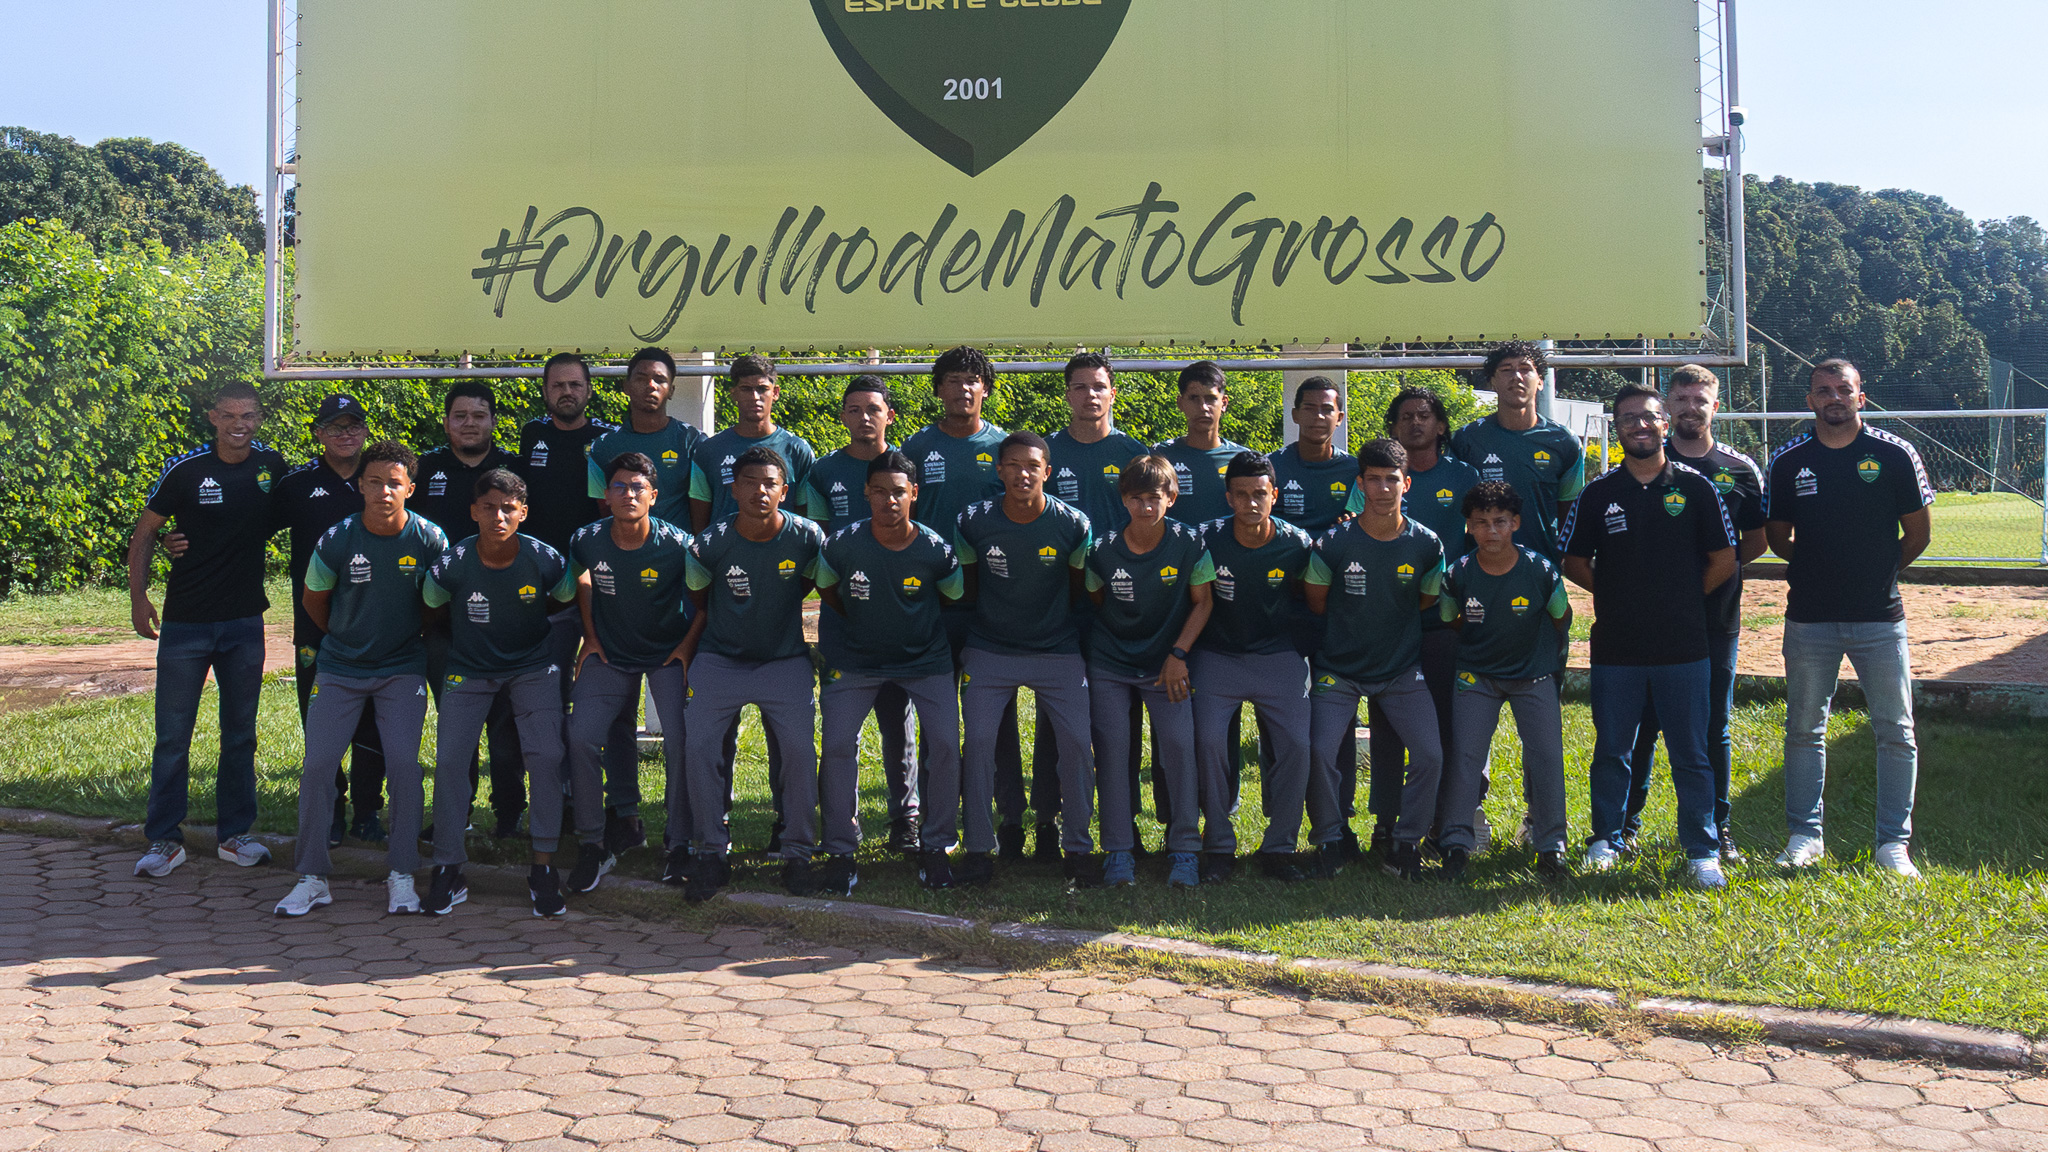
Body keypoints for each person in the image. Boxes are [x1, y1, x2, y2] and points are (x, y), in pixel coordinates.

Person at [1562, 384, 1738, 889]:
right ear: (1616, 429)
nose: (1639, 425)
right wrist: (1615, 593)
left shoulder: (1697, 488)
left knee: (1691, 752)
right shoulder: (1599, 493)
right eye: (1628, 418)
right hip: (1617, 646)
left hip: (1685, 645)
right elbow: (1573, 559)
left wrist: (1683, 599)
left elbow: (1725, 559)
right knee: (1613, 749)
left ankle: (1702, 849)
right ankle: (1606, 839)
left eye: (1648, 417)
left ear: (1665, 424)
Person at [1765, 358, 1933, 878]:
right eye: (1823, 390)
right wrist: (1820, 568)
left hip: (1880, 618)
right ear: (1810, 400)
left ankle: (1893, 845)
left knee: (1895, 730)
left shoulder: (1895, 453)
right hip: (1809, 619)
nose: (1833, 397)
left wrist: (1876, 571)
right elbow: (1777, 537)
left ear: (1862, 397)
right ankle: (1804, 836)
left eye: (1844, 389)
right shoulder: (1788, 461)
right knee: (1803, 729)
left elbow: (1918, 534)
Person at [273, 441, 449, 917]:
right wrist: (347, 639)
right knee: (318, 766)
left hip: (402, 669)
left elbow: (438, 604)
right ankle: (312, 877)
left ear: (410, 489)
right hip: (340, 668)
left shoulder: (430, 538)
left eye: (394, 483)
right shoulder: (337, 538)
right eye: (375, 482)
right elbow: (314, 600)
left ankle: (402, 874)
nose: (384, 491)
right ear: (360, 487)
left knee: (405, 766)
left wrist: (402, 638)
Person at [128, 382, 287, 878]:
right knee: (172, 737)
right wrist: (138, 597)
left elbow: (302, 511)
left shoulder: (272, 466)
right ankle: (163, 840)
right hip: (186, 623)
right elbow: (146, 530)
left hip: (244, 622)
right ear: (213, 417)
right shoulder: (186, 468)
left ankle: (235, 835)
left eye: (249, 415)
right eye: (230, 415)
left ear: (259, 419)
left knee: (240, 735)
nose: (240, 424)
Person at [1620, 365, 1767, 861]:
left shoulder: (1739, 469)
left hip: (1714, 620)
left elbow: (1754, 541)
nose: (1690, 408)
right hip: (1648, 623)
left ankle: (1717, 827)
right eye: (1680, 400)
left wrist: (1704, 583)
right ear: (1667, 409)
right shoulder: (1645, 463)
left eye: (1699, 400)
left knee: (1712, 726)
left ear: (1715, 407)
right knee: (1642, 724)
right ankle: (1624, 827)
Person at [420, 469, 578, 916]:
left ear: (523, 513)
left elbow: (566, 597)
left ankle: (543, 866)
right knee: (451, 760)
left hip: (532, 668)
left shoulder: (544, 559)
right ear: (474, 511)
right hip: (469, 669)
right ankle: (449, 867)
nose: (498, 517)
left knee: (545, 756)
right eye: (488, 508)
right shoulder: (453, 562)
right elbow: (430, 606)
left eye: (508, 509)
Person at [680, 446, 828, 901]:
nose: (760, 491)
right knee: (699, 747)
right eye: (750, 482)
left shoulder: (808, 537)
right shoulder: (710, 542)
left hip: (784, 660)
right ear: (733, 489)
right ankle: (710, 852)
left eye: (770, 484)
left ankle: (797, 853)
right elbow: (699, 599)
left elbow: (811, 588)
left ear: (785, 491)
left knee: (799, 751)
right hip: (720, 658)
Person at [816, 451, 967, 893]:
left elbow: (952, 597)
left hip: (925, 660)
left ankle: (936, 846)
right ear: (866, 493)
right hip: (856, 660)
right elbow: (827, 588)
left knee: (945, 743)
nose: (889, 500)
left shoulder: (936, 550)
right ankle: (841, 850)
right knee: (837, 745)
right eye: (879, 492)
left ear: (914, 494)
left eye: (898, 492)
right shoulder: (841, 545)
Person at [953, 432, 1097, 886]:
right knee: (979, 741)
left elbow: (1078, 591)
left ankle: (1076, 846)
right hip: (991, 646)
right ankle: (981, 846)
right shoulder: (972, 521)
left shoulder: (1073, 524)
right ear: (999, 471)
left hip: (1056, 647)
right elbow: (968, 589)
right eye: (1013, 465)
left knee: (1077, 742)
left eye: (1032, 466)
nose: (1022, 474)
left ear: (1047, 472)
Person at [1303, 439, 1447, 881]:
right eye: (1373, 480)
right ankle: (1332, 837)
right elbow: (1316, 601)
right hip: (1338, 669)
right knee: (1319, 750)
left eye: (1392, 480)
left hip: (1400, 670)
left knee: (1430, 754)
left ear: (1406, 484)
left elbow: (1425, 600)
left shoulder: (1427, 544)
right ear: (1360, 485)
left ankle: (1405, 843)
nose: (1383, 489)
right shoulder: (1333, 543)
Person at [516, 352, 640, 858]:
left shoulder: (608, 440)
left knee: (615, 709)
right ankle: (565, 798)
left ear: (589, 390)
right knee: (551, 700)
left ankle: (624, 811)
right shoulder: (531, 436)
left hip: (600, 588)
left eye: (575, 385)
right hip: (546, 593)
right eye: (557, 385)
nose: (566, 392)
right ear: (546, 391)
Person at [901, 347, 1024, 855]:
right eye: (952, 380)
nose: (963, 389)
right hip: (932, 605)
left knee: (998, 718)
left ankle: (1010, 818)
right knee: (938, 719)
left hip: (992, 605)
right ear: (939, 390)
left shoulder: (1003, 448)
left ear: (985, 389)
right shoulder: (916, 446)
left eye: (972, 380)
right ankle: (936, 822)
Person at [566, 452, 696, 894]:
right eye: (619, 486)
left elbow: (705, 598)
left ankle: (679, 844)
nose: (628, 494)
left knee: (680, 738)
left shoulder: (677, 544)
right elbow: (578, 579)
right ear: (606, 495)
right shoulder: (586, 539)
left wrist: (685, 648)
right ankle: (592, 842)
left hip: (665, 655)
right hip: (611, 654)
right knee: (581, 736)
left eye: (638, 487)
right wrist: (590, 636)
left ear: (653, 496)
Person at [801, 376, 921, 853]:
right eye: (854, 409)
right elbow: (817, 545)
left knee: (898, 722)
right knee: (840, 730)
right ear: (843, 416)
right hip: (843, 618)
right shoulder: (823, 472)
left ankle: (906, 818)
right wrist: (837, 607)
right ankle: (841, 825)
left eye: (874, 409)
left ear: (890, 415)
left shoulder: (905, 466)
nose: (864, 417)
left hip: (898, 615)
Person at [1084, 456, 1215, 888]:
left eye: (1154, 498)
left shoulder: (1189, 542)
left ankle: (1185, 849)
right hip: (1111, 663)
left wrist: (1178, 654)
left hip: (1167, 666)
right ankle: (1119, 850)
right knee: (1113, 751)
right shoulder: (1102, 549)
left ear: (1171, 498)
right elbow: (1096, 600)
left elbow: (1204, 602)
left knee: (1178, 747)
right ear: (1123, 500)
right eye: (1136, 498)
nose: (1145, 507)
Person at [1190, 453, 1317, 884]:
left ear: (1274, 495)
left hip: (1276, 655)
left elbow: (1309, 599)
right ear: (1228, 498)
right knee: (1208, 741)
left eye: (1259, 494)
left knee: (1297, 744)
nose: (1251, 503)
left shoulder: (1297, 543)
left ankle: (1279, 847)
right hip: (1217, 655)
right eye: (1241, 494)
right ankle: (1218, 844)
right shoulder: (1205, 538)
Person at [1437, 482, 1573, 879]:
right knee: (1465, 758)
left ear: (1515, 523)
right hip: (1477, 675)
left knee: (1546, 757)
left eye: (1500, 521)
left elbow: (1561, 617)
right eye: (1481, 523)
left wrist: (1535, 655)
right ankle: (1456, 844)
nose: (1491, 531)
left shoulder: (1540, 570)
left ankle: (1551, 846)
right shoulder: (1458, 573)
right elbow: (1449, 619)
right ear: (1468, 526)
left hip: (1533, 675)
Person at [413, 381, 528, 840]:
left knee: (505, 727)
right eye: (460, 416)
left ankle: (509, 815)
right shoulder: (426, 469)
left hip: (505, 623)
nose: (469, 424)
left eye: (478, 416)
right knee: (456, 726)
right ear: (446, 423)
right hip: (444, 623)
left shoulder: (515, 470)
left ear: (493, 422)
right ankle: (455, 814)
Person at [1045, 352, 1149, 857]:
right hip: (1059, 601)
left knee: (1120, 722)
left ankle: (1122, 823)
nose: (1090, 395)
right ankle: (1049, 819)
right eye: (1080, 387)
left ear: (1113, 393)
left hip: (1117, 601)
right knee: (1057, 718)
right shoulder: (1047, 452)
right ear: (1067, 394)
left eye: (1099, 386)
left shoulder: (1133, 453)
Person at [1375, 385, 1481, 858]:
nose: (1415, 423)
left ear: (1440, 426)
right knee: (1388, 727)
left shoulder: (1464, 477)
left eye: (1424, 415)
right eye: (1405, 416)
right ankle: (1386, 821)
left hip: (1444, 623)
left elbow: (1480, 546)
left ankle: (1445, 820)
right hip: (1389, 624)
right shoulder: (1380, 479)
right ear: (1393, 427)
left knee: (1445, 725)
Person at [274, 395, 384, 847]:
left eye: (353, 426)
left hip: (374, 620)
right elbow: (246, 528)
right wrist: (181, 538)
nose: (345, 434)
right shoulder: (297, 483)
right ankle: (332, 809)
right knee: (320, 717)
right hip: (315, 623)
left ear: (365, 431)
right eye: (334, 427)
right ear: (318, 433)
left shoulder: (380, 478)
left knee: (373, 717)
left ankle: (368, 811)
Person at [1271, 376, 1361, 853]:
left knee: (1334, 721)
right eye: (1310, 408)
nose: (1319, 416)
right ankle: (1278, 819)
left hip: (1334, 609)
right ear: (1295, 414)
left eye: (1328, 409)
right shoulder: (1273, 466)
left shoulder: (1356, 471)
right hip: (1280, 607)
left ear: (1339, 417)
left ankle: (1336, 823)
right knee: (1279, 720)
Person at [1450, 342, 1585, 564]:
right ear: (1492, 381)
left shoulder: (1564, 441)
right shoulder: (1466, 440)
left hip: (1541, 566)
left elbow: (1570, 515)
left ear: (1540, 381)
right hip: (1480, 570)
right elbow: (1453, 510)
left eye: (1525, 369)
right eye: (1506, 370)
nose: (1517, 377)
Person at [689, 354, 816, 531]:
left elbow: (805, 517)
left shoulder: (797, 449)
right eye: (746, 389)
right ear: (733, 393)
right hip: (726, 547)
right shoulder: (709, 450)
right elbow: (699, 524)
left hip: (782, 547)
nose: (755, 397)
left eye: (762, 389)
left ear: (775, 393)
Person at [587, 347, 707, 531]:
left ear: (671, 390)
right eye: (641, 379)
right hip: (624, 547)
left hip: (679, 548)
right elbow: (605, 511)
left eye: (660, 380)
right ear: (626, 387)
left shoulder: (692, 441)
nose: (651, 385)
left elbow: (702, 511)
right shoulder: (603, 446)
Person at [1154, 361, 1249, 528]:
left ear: (1224, 403)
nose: (1203, 407)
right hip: (1178, 545)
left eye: (1211, 398)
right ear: (1180, 403)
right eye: (1194, 398)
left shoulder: (1242, 460)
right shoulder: (1160, 456)